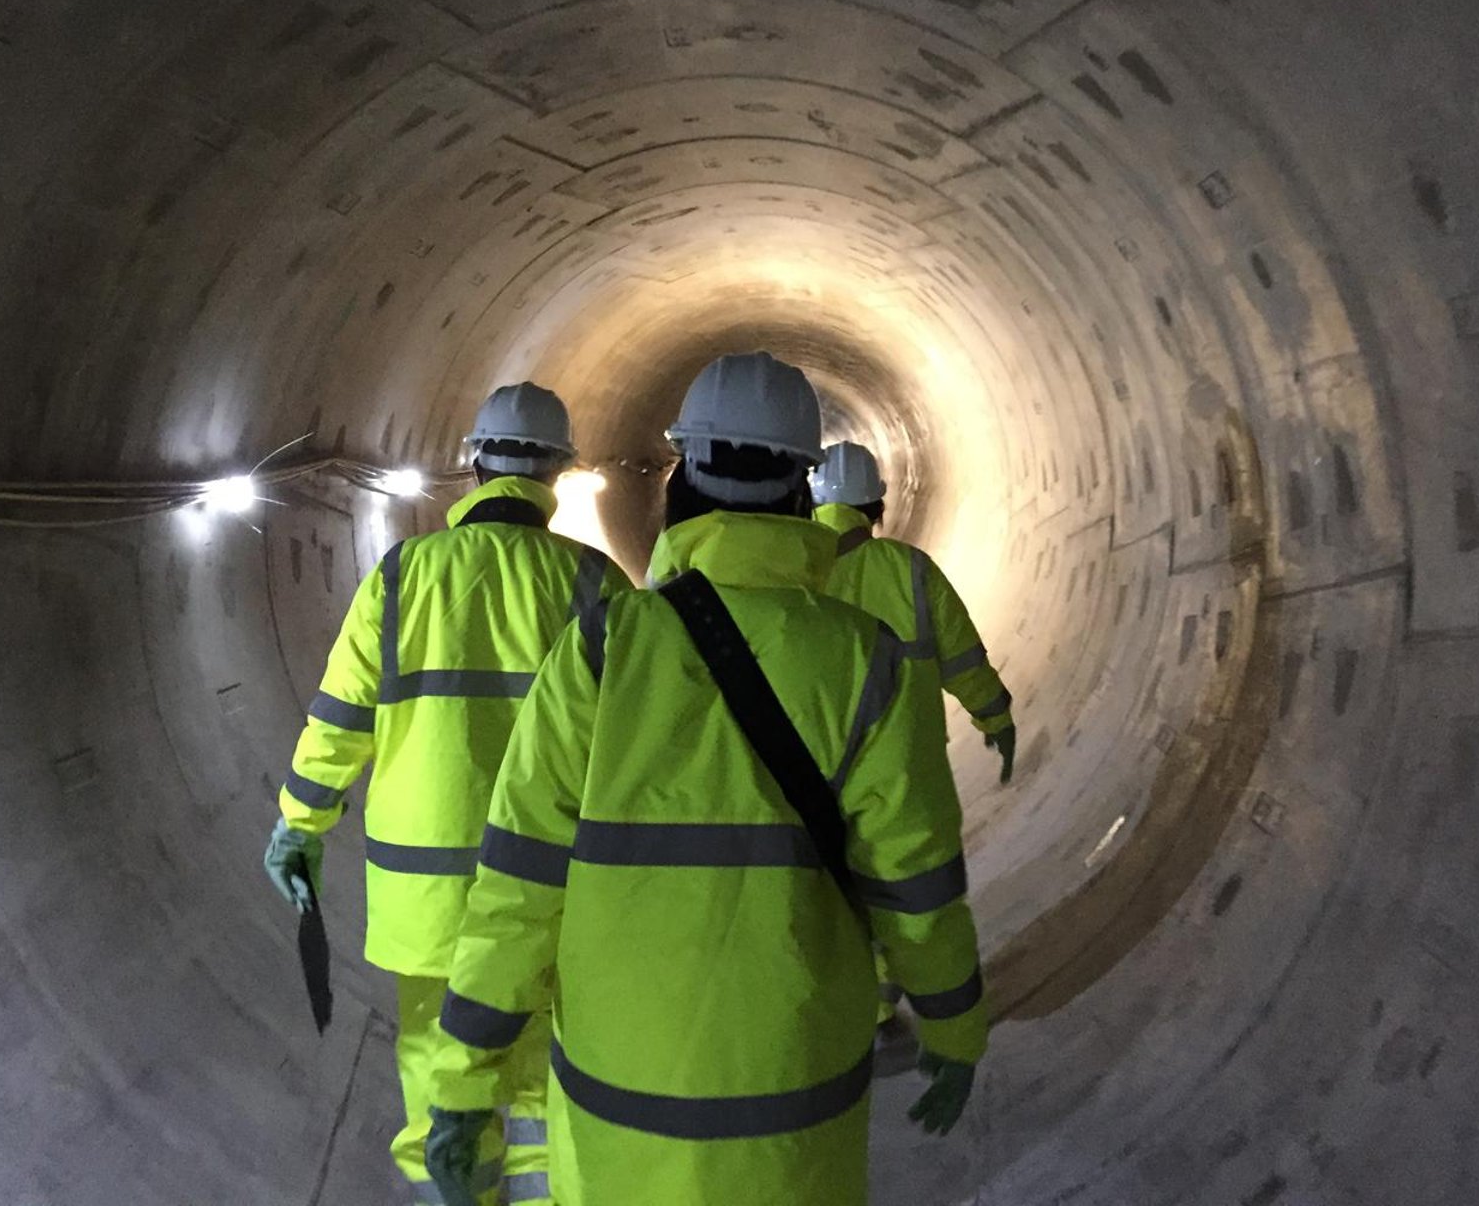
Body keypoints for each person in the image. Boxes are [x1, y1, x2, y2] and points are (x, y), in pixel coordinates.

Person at [423, 352, 986, 1206]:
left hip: (618, 1100)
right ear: (802, 493)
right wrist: (954, 1028)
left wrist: (464, 1082)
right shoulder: (865, 661)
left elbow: (518, 887)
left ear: (680, 481)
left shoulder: (605, 647)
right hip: (795, 1104)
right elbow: (919, 884)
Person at [262, 383, 633, 1206]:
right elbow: (636, 744)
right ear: (556, 473)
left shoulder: (402, 577)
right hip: (548, 887)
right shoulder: (592, 583)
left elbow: (341, 715)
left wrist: (300, 823)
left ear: (474, 464)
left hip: (423, 890)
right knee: (541, 1071)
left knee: (435, 1064)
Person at [811, 441, 1019, 786]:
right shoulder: (910, 568)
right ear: (876, 506)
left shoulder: (791, 570)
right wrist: (996, 718)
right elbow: (961, 658)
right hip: (911, 776)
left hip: (817, 779)